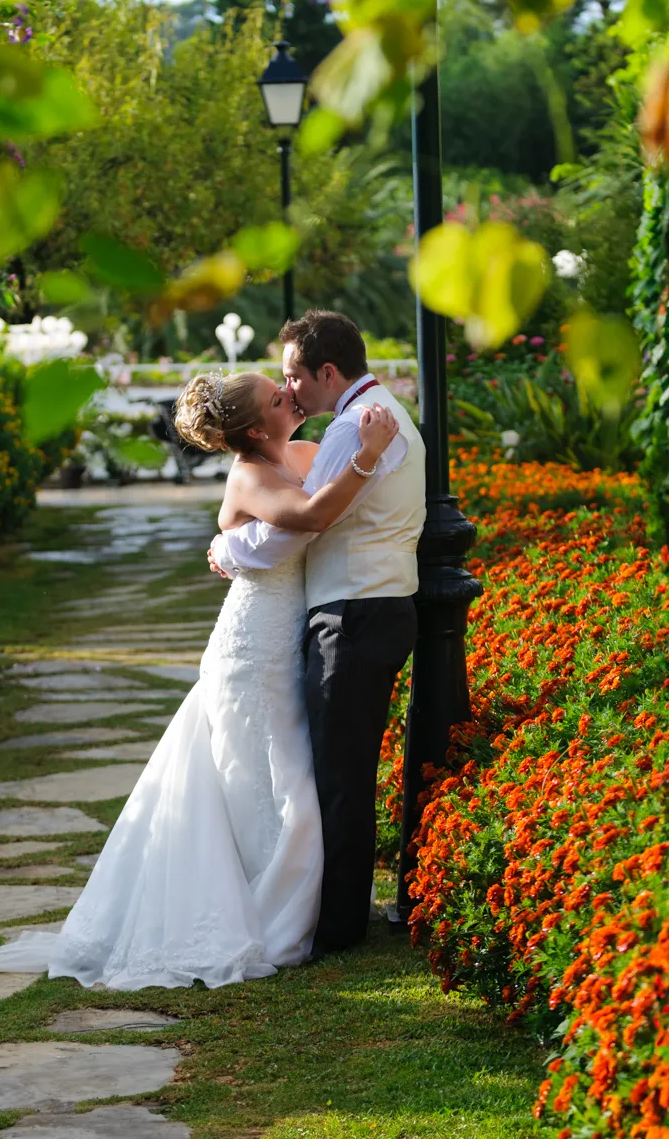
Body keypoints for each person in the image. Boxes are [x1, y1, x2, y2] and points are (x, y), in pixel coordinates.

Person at [0, 367, 399, 990]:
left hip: (287, 638)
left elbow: (325, 506)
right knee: (266, 783)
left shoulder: (302, 452)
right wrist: (366, 457)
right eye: (279, 397)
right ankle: (256, 912)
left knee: (281, 780)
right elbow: (311, 517)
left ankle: (280, 903)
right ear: (257, 427)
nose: (291, 395)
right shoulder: (251, 473)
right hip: (251, 650)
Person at [209, 310, 426, 959]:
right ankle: (326, 912)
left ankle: (334, 926)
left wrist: (229, 547)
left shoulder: (356, 429)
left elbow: (305, 521)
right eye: (280, 386)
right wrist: (232, 541)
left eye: (293, 378)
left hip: (354, 613)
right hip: (344, 611)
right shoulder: (366, 416)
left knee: (337, 775)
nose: (291, 390)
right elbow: (287, 519)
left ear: (326, 372)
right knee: (326, 771)